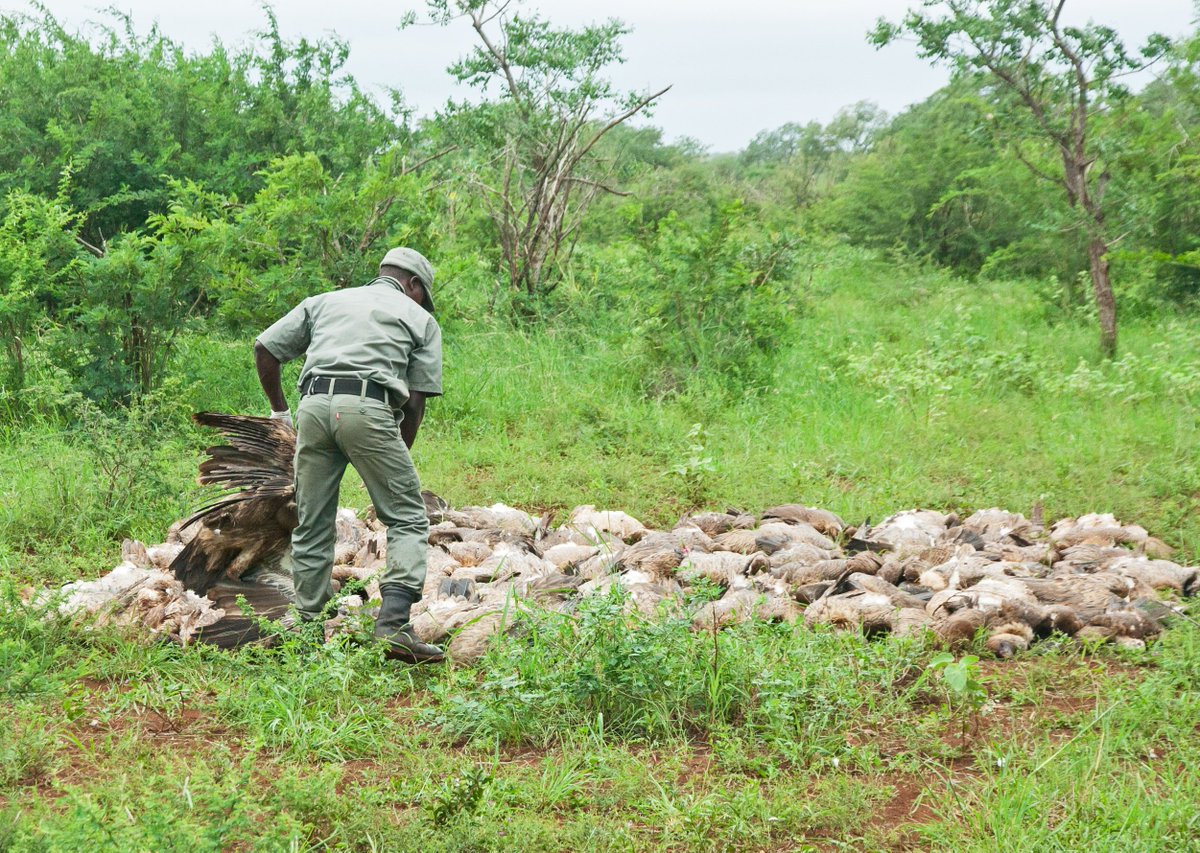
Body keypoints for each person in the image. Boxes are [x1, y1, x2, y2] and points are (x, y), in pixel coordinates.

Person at [253, 247, 445, 664]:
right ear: (413, 284)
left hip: (314, 408)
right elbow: (414, 403)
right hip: (368, 408)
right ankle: (394, 627)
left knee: (312, 520)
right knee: (408, 516)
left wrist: (280, 411)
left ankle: (307, 632)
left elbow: (265, 347)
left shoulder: (326, 301)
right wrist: (394, 458)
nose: (420, 301)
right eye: (421, 293)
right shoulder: (421, 319)